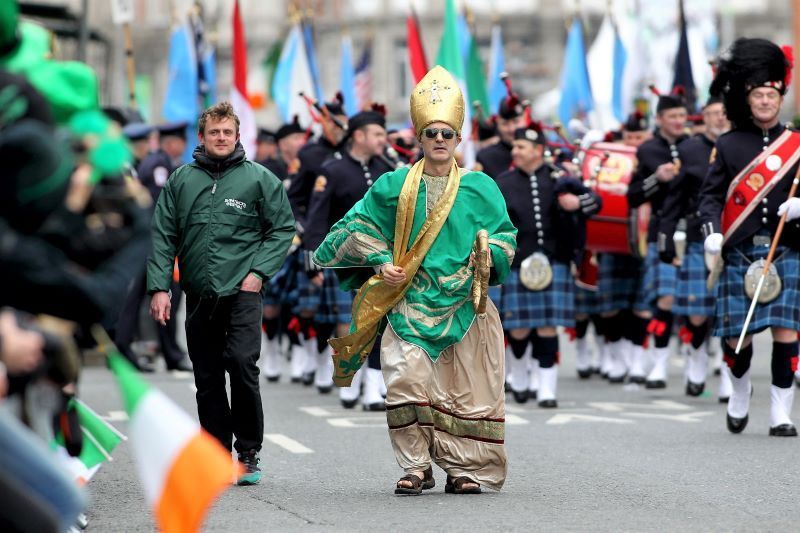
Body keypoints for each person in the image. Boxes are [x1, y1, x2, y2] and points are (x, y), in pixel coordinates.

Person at [313, 66, 517, 495]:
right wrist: (380, 260)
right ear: (419, 138)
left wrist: (486, 256)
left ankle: (462, 470)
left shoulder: (481, 189)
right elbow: (351, 229)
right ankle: (415, 466)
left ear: (458, 138)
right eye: (431, 133)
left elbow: (505, 238)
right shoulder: (392, 186)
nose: (439, 140)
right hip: (408, 302)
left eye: (446, 133)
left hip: (465, 303)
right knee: (406, 382)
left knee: (462, 392)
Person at [148, 101, 295, 483]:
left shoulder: (260, 179)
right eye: (214, 132)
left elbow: (281, 229)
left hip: (243, 291)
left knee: (242, 364)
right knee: (208, 375)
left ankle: (248, 452)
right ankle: (215, 452)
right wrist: (159, 288)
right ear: (202, 136)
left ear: (237, 135)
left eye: (227, 132)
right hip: (198, 293)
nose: (221, 138)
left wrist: (259, 272)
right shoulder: (181, 180)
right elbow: (164, 236)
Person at [699, 38, 800, 436]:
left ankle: (781, 412)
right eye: (757, 95)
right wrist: (713, 233)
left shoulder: (796, 144)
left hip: (787, 248)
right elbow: (709, 198)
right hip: (740, 251)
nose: (764, 102)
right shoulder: (727, 144)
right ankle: (740, 391)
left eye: (770, 95)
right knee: (736, 341)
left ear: (780, 98)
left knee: (786, 333)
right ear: (747, 98)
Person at [497, 123, 601, 407]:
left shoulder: (560, 178)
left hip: (555, 261)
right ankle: (519, 376)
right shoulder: (503, 182)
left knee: (546, 327)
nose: (515, 151)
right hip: (518, 264)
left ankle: (547, 389)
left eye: (521, 147)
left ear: (538, 151)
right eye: (515, 146)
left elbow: (596, 202)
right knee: (517, 328)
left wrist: (576, 202)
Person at [304, 107, 393, 405]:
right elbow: (317, 219)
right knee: (348, 323)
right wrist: (312, 262)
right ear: (359, 136)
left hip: (383, 261)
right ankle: (350, 377)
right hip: (345, 262)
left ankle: (372, 386)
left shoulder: (388, 170)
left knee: (379, 322)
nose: (383, 139)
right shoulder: (333, 170)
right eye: (378, 134)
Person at [657, 97, 732, 400]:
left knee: (730, 312)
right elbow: (674, 197)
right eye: (712, 114)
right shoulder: (689, 150)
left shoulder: (742, 145)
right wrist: (664, 240)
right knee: (698, 313)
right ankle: (697, 358)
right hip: (697, 236)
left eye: (723, 113)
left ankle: (730, 373)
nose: (718, 118)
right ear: (705, 118)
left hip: (736, 236)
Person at [116, 121, 192, 373]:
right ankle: (170, 353)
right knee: (168, 293)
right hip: (155, 242)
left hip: (146, 241)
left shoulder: (157, 163)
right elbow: (161, 207)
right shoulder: (160, 165)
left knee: (137, 296)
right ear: (172, 143)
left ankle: (125, 345)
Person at [627, 91, 689, 388]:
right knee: (664, 298)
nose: (679, 121)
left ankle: (698, 360)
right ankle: (659, 363)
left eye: (682, 116)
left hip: (693, 233)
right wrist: (657, 179)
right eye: (673, 116)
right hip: (661, 233)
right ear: (661, 119)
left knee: (695, 304)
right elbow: (634, 195)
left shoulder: (696, 147)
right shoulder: (648, 151)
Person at [595, 112, 653, 383]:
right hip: (612, 238)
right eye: (629, 137)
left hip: (645, 239)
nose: (633, 142)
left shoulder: (655, 160)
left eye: (639, 137)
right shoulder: (613, 164)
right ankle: (617, 356)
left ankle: (637, 358)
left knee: (641, 304)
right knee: (611, 305)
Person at [475, 74, 527, 178]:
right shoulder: (486, 157)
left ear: (526, 119)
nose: (511, 129)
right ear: (497, 123)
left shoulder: (542, 151)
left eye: (516, 122)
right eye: (505, 124)